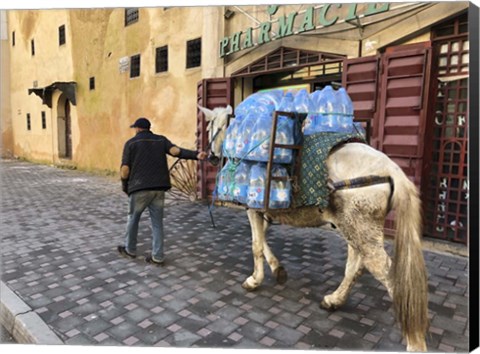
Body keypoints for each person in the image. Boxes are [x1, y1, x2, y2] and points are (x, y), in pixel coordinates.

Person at [118, 117, 207, 265]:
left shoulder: (130, 144)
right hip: (159, 188)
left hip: (139, 188)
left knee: (133, 219)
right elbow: (176, 151)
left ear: (138, 129)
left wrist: (124, 186)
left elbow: (125, 170)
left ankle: (130, 249)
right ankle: (157, 257)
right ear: (148, 128)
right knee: (157, 223)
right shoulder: (161, 141)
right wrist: (196, 155)